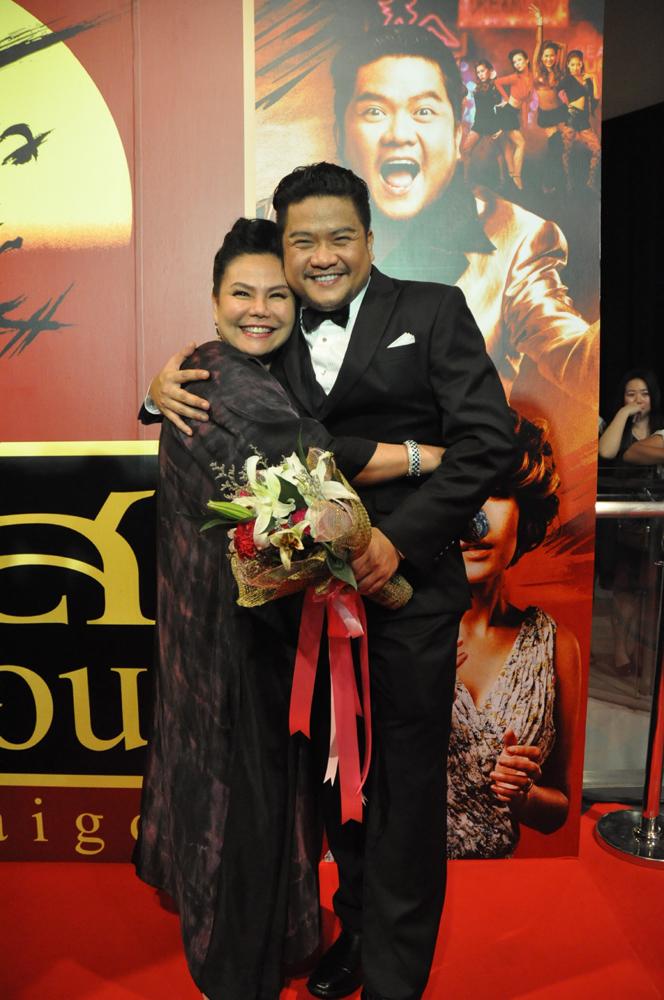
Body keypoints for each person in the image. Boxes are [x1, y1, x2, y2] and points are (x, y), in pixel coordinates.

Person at [145, 162, 516, 1000]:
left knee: (404, 792)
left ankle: (394, 976)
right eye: (303, 240)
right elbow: (252, 415)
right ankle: (355, 932)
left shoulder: (432, 310)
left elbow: (490, 442)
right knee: (334, 786)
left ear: (370, 240)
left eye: (339, 237)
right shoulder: (272, 329)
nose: (322, 256)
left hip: (408, 600)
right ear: (284, 247)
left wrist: (398, 541)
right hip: (302, 607)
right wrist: (154, 390)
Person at [325, 26, 596, 401]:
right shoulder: (300, 240)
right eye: (374, 111)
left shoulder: (517, 238)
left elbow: (574, 354)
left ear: (456, 137)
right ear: (339, 136)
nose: (399, 134)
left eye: (423, 111)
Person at [448, 411, 580, 858]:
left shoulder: (554, 646)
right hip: (398, 878)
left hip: (497, 883)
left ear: (524, 511)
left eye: (497, 493)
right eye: (462, 492)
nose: (475, 522)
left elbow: (558, 809)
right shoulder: (396, 629)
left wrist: (523, 794)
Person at [530, 3, 568, 193]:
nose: (549, 58)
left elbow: (565, 47)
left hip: (561, 111)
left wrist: (556, 45)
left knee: (561, 149)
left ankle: (558, 182)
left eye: (552, 55)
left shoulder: (558, 69)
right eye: (546, 55)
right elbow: (539, 43)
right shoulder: (537, 70)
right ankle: (548, 183)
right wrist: (540, 22)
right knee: (555, 148)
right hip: (546, 115)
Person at [558, 49, 601, 192]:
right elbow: (557, 91)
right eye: (572, 64)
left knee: (597, 149)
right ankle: (568, 183)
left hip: (583, 119)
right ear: (568, 65)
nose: (575, 67)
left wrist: (594, 78)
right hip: (571, 117)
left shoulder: (587, 79)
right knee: (566, 151)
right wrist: (566, 103)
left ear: (582, 64)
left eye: (578, 64)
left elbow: (596, 97)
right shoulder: (567, 79)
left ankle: (590, 182)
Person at [460, 60, 504, 187]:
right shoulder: (476, 87)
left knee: (498, 153)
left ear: (489, 71)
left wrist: (501, 128)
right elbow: (465, 93)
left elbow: (501, 106)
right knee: (466, 149)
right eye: (478, 72)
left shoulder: (496, 85)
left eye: (483, 71)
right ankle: (465, 181)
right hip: (479, 123)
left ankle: (503, 181)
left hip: (492, 124)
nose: (480, 74)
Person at [494, 48, 534, 189]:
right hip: (507, 112)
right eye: (514, 62)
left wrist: (525, 121)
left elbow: (526, 101)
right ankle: (516, 178)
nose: (517, 64)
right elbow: (497, 82)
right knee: (520, 143)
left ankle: (512, 179)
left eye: (519, 60)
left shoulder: (531, 78)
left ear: (527, 60)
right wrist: (506, 99)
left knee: (509, 146)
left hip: (513, 113)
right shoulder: (514, 77)